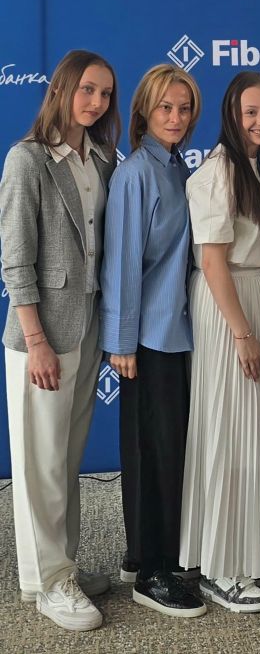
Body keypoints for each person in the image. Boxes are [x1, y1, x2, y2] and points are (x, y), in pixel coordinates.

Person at [0, 49, 120, 631]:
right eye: (86, 89)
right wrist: (36, 339)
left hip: (86, 326)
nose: (95, 102)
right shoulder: (27, 159)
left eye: (105, 93)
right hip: (41, 335)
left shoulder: (102, 158)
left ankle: (59, 566)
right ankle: (49, 584)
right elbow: (15, 258)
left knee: (65, 460)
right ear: (61, 89)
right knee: (40, 464)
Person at [179, 72, 260, 612]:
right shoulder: (217, 172)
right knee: (227, 429)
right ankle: (221, 569)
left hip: (253, 296)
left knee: (251, 430)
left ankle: (248, 554)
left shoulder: (253, 168)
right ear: (231, 113)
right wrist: (242, 332)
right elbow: (212, 261)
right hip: (229, 305)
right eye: (251, 112)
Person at [100, 64, 206, 618]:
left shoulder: (178, 167)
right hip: (146, 338)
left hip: (177, 332)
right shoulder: (135, 174)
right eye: (166, 107)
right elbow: (122, 264)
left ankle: (147, 552)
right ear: (144, 110)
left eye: (185, 108)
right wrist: (121, 342)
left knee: (168, 451)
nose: (176, 117)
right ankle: (150, 572)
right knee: (151, 451)